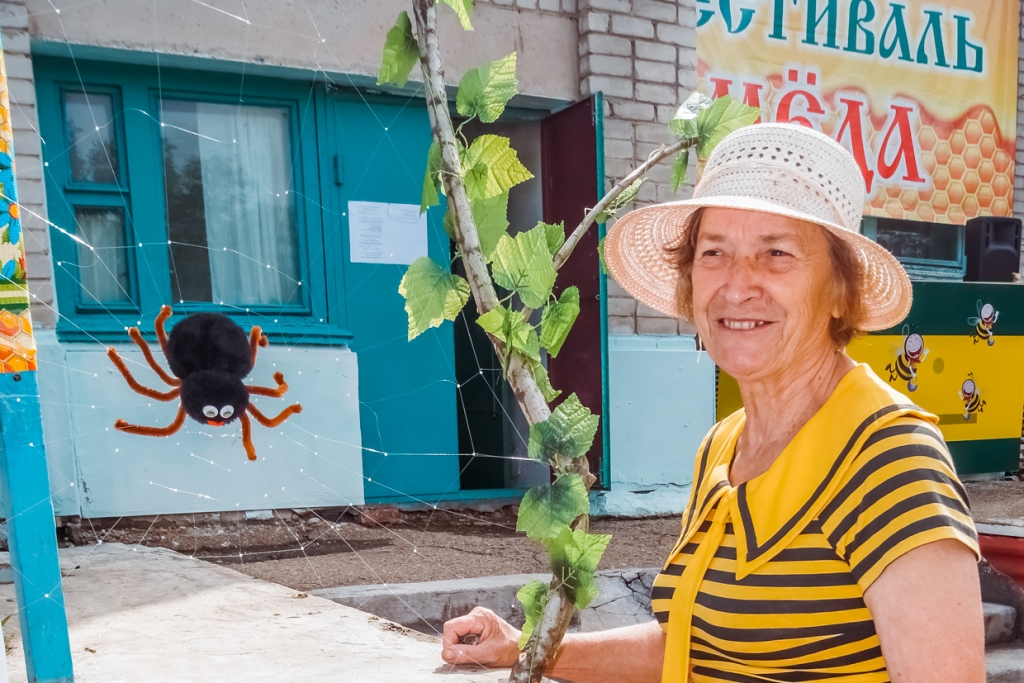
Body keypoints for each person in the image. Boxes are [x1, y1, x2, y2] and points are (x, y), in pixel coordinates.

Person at [439, 123, 984, 683]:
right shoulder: (722, 447)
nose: (737, 285)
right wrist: (529, 647)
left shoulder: (889, 457)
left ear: (840, 290)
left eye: (776, 253)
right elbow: (691, 647)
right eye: (714, 252)